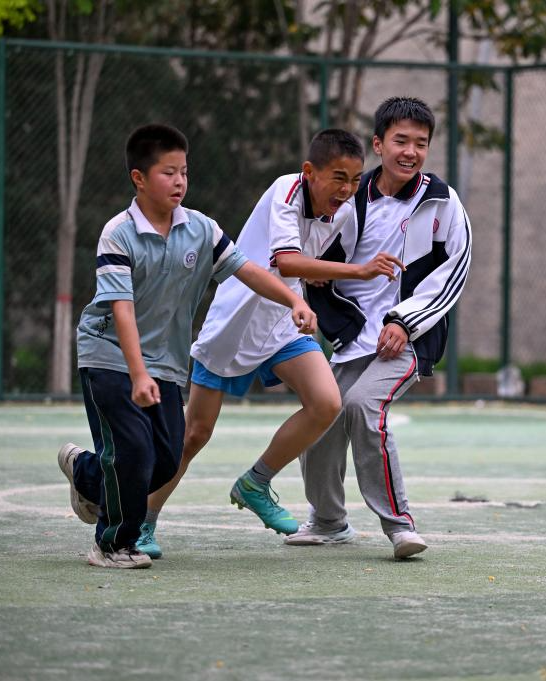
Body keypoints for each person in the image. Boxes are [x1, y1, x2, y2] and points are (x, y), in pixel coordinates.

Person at [135, 129, 406, 558]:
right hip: (235, 324)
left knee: (327, 403)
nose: (347, 190)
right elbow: (286, 261)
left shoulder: (345, 212)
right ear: (309, 172)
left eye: (355, 180)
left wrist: (322, 275)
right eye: (339, 177)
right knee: (194, 435)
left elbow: (310, 263)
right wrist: (356, 271)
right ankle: (144, 522)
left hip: (283, 323)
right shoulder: (287, 189)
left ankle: (256, 482)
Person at [56, 123, 316, 569]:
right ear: (139, 178)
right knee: (134, 452)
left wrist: (293, 297)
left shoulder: (201, 229)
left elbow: (248, 270)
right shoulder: (117, 233)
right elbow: (121, 310)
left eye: (184, 172)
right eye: (167, 173)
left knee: (165, 460)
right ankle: (112, 544)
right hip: (110, 356)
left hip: (167, 364)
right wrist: (137, 374)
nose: (179, 182)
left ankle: (86, 471)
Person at [289, 97, 473, 559]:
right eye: (400, 141)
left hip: (409, 339)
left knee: (362, 408)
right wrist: (318, 285)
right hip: (353, 339)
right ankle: (328, 521)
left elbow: (455, 268)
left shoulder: (442, 201)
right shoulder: (352, 198)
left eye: (421, 143)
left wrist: (404, 322)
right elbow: (323, 259)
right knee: (322, 414)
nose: (410, 152)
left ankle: (400, 525)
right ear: (378, 144)